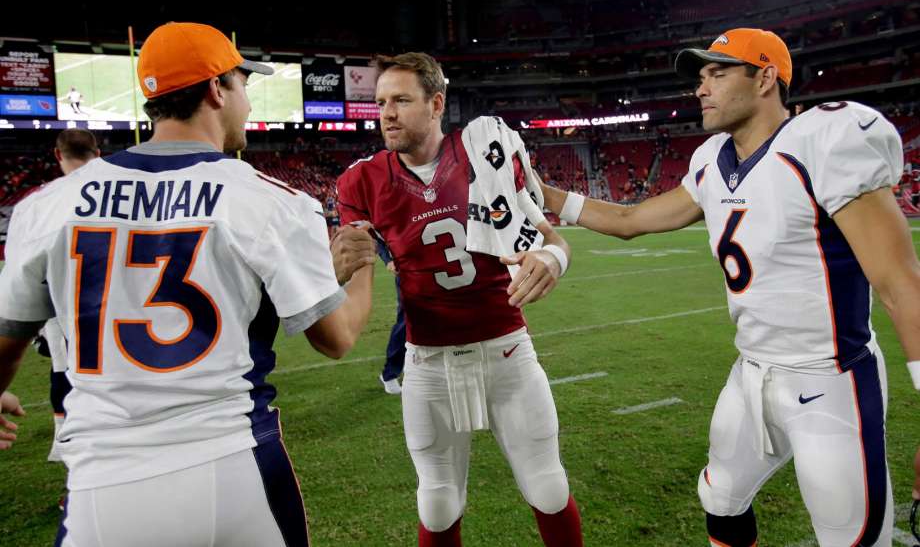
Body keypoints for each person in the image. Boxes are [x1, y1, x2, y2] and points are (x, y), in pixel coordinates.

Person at [0, 21, 376, 547]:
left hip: (104, 485)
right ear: (216, 89)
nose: (248, 101)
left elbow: (7, 343)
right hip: (233, 465)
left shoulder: (46, 207)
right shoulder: (271, 201)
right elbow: (336, 338)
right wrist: (361, 268)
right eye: (243, 84)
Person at [540, 28, 920, 546]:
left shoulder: (823, 142)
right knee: (719, 497)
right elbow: (631, 219)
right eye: (701, 77)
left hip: (831, 378)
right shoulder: (712, 160)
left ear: (765, 77)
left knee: (852, 539)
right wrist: (541, 192)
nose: (702, 88)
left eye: (718, 73)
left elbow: (899, 283)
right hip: (751, 373)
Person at [335, 52, 583, 547]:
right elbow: (355, 285)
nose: (386, 113)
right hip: (427, 360)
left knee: (548, 486)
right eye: (381, 101)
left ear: (436, 103)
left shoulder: (481, 153)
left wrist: (551, 262)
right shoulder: (361, 179)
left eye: (401, 100)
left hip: (507, 349)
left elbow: (553, 241)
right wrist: (335, 268)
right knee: (438, 500)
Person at [376, 239, 406, 395]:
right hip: (409, 268)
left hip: (435, 262)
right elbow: (375, 233)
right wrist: (388, 259)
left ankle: (414, 363)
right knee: (406, 321)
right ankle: (389, 373)